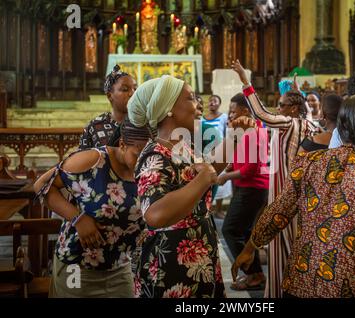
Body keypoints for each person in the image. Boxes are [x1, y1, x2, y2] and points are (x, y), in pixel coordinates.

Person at [233, 94, 355, 298]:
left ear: (341, 129)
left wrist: (249, 248)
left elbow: (278, 212)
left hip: (303, 282)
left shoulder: (309, 163)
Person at [128, 75, 253, 298]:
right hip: (171, 265)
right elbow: (154, 214)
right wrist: (203, 179)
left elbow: (209, 168)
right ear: (169, 109)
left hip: (197, 253)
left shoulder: (181, 145)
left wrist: (235, 136)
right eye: (190, 98)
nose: (197, 105)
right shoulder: (155, 155)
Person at [34, 117, 151, 297]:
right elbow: (42, 185)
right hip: (77, 266)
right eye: (138, 154)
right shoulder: (94, 160)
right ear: (122, 144)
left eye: (148, 156)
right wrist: (77, 218)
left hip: (119, 268)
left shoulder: (149, 170)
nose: (144, 162)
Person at [231, 59, 314, 298]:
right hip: (302, 200)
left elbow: (260, 113)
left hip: (285, 199)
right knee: (298, 254)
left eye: (282, 105)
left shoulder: (289, 123)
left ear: (293, 110)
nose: (278, 109)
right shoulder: (311, 125)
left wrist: (244, 80)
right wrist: (297, 93)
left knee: (281, 255)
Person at [218, 93, 269, 291]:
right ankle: (256, 275)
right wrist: (231, 166)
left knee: (229, 230)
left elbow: (250, 170)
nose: (230, 115)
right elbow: (246, 160)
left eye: (233, 110)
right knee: (246, 232)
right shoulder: (249, 131)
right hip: (252, 188)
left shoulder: (254, 132)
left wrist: (224, 177)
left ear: (246, 111)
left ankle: (253, 274)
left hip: (253, 189)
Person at [79, 65, 137, 149]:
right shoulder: (95, 127)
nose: (132, 93)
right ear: (110, 95)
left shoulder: (143, 123)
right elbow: (82, 159)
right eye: (125, 89)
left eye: (135, 88)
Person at [202, 94, 232, 218]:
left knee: (219, 181)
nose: (212, 103)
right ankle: (209, 208)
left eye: (215, 101)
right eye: (210, 101)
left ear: (219, 103)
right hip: (206, 152)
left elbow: (227, 132)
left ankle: (219, 209)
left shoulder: (224, 117)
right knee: (208, 182)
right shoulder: (202, 119)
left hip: (220, 151)